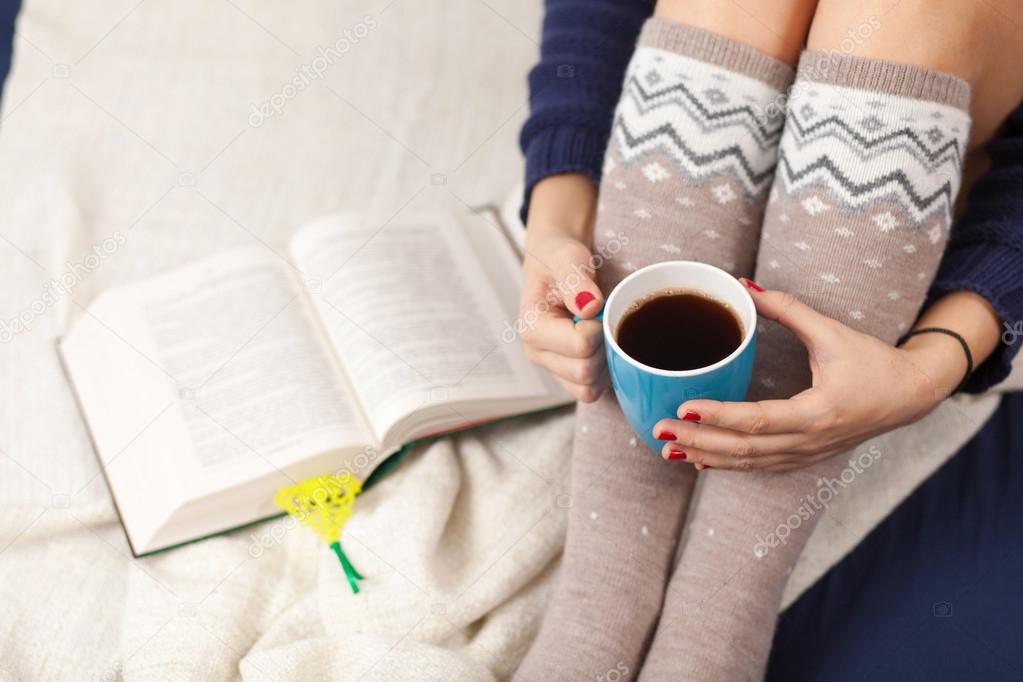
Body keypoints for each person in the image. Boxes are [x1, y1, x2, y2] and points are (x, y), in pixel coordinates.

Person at [513, 0, 1023, 679]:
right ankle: (604, 590)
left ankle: (718, 620)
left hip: (924, 160)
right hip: (700, 128)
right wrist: (556, 216)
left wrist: (932, 363)